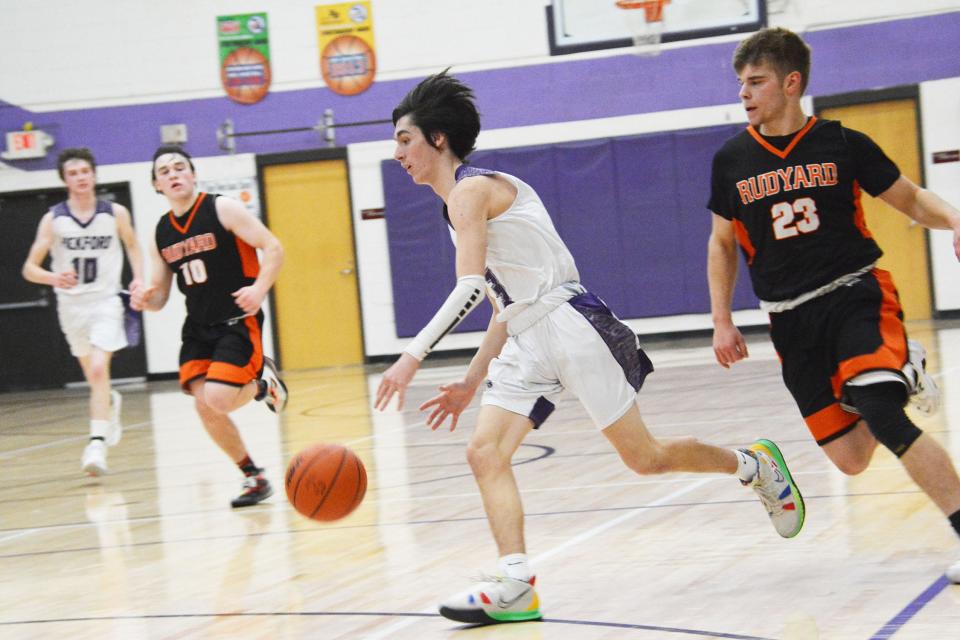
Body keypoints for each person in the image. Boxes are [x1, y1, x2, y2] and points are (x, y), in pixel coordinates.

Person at [375, 71, 805, 626]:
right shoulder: (458, 204)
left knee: (644, 458)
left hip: (568, 322)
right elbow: (501, 302)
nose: (397, 153)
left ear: (437, 139)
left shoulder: (472, 190)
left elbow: (468, 287)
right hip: (527, 334)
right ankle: (516, 583)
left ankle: (753, 465)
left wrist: (412, 357)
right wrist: (472, 379)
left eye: (404, 139)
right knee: (484, 452)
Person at [707, 27, 960, 582]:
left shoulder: (843, 144)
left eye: (757, 82)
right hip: (789, 320)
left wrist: (955, 220)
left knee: (883, 413)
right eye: (741, 84)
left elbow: (911, 197)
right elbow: (722, 243)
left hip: (853, 296)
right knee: (852, 459)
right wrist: (722, 320)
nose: (744, 94)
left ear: (791, 83)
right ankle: (905, 367)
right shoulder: (731, 160)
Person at [131, 145, 288, 508]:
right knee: (205, 406)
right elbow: (160, 299)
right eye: (164, 171)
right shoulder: (161, 232)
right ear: (157, 185)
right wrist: (145, 299)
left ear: (193, 173)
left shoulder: (222, 208)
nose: (173, 174)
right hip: (198, 327)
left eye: (180, 167)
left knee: (218, 397)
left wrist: (259, 288)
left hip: (237, 320)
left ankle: (264, 383)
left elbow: (273, 247)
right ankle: (253, 476)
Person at [22, 147, 144, 476]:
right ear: (65, 180)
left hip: (105, 302)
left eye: (85, 172)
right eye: (73, 173)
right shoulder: (54, 219)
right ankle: (110, 404)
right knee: (94, 377)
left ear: (94, 175)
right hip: (71, 306)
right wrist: (53, 277)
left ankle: (96, 445)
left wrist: (139, 280)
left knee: (98, 371)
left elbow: (133, 247)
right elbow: (29, 268)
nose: (80, 178)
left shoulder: (115, 213)